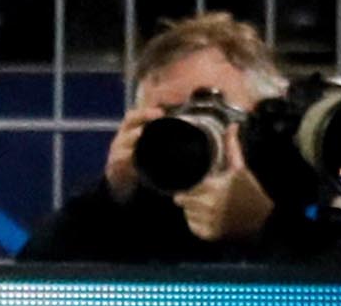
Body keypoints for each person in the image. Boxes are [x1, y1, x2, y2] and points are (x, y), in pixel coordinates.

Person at [18, 13, 314, 265]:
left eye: (212, 108)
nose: (193, 127)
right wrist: (108, 199)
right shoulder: (137, 207)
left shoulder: (297, 182)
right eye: (172, 113)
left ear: (261, 112)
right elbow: (34, 289)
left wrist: (262, 225)